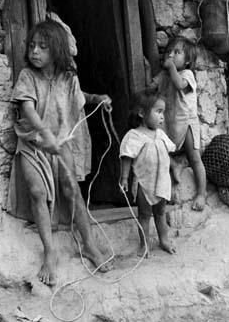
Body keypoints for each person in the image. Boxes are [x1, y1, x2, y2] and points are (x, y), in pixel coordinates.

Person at [11, 19, 112, 286]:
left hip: (60, 144)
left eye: (42, 47)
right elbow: (28, 110)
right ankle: (49, 251)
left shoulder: (68, 78)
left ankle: (89, 244)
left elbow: (78, 96)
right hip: (34, 144)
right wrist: (45, 134)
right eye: (32, 46)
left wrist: (97, 98)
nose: (35, 51)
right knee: (37, 192)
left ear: (55, 50)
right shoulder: (27, 77)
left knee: (72, 191)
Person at [150, 36, 207, 211]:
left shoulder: (187, 74)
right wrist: (147, 71)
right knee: (158, 147)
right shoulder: (164, 75)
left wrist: (171, 67)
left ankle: (202, 193)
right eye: (169, 52)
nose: (171, 55)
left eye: (177, 52)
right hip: (169, 122)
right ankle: (174, 165)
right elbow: (150, 86)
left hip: (187, 122)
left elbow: (180, 85)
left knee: (195, 157)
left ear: (188, 60)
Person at [119, 88, 176, 256]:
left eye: (163, 112)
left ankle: (164, 240)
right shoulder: (134, 136)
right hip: (144, 182)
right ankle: (144, 245)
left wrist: (173, 170)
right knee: (144, 214)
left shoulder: (160, 134)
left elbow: (167, 153)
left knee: (160, 212)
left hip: (162, 181)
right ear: (142, 113)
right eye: (158, 111)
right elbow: (127, 157)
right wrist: (124, 177)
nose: (162, 116)